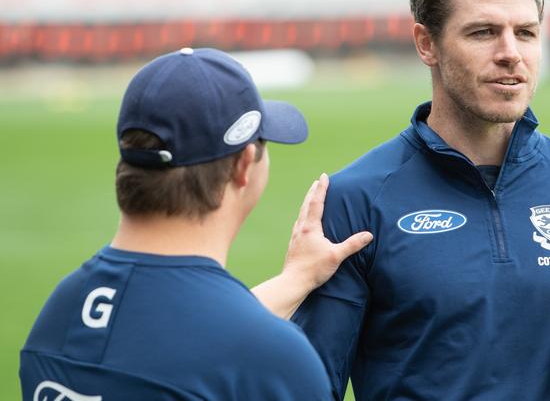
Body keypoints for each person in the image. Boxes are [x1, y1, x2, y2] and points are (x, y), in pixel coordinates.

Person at [292, 0, 550, 401]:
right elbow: (311, 388)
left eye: (526, 32)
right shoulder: (354, 202)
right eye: (483, 32)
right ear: (427, 44)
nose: (510, 53)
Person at [20, 47, 372, 400]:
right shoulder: (278, 363)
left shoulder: (57, 316)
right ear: (243, 165)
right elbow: (213, 346)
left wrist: (297, 278)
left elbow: (174, 341)